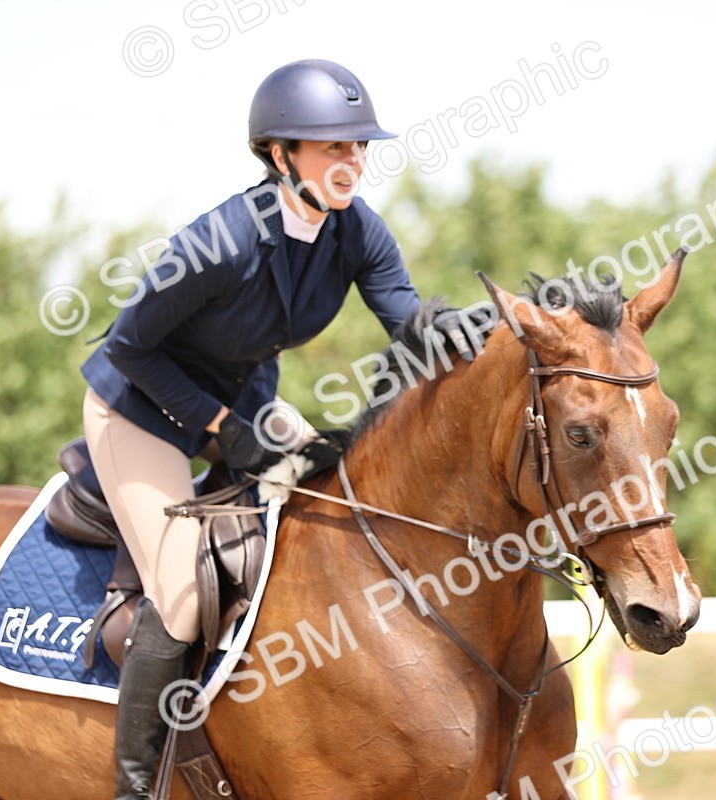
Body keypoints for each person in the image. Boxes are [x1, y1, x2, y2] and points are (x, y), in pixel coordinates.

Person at [80, 59, 488, 799]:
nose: (354, 161)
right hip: (139, 408)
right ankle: (135, 787)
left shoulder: (356, 231)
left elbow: (407, 321)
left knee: (324, 514)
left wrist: (471, 327)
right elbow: (128, 349)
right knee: (179, 589)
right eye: (335, 147)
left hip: (244, 400)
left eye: (359, 148)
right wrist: (219, 428)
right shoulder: (220, 242)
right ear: (280, 154)